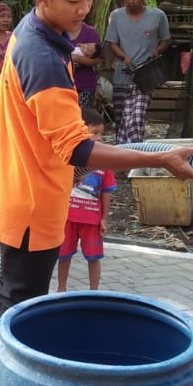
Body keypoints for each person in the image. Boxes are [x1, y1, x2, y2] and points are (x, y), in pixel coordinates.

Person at [0, 0, 193, 357]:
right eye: (74, 0)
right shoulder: (41, 57)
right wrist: (159, 159)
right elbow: (78, 151)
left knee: (9, 297)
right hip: (32, 202)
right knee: (20, 306)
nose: (83, 9)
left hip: (18, 190)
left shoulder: (34, 30)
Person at [105, 0, 171, 144]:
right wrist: (124, 57)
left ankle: (136, 154)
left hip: (145, 76)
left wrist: (157, 51)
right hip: (122, 75)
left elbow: (166, 41)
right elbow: (113, 43)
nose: (131, 0)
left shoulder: (158, 16)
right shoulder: (116, 16)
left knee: (137, 119)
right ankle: (121, 157)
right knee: (121, 119)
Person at [57, 109, 116, 292]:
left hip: (91, 220)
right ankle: (61, 288)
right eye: (94, 133)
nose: (99, 138)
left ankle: (94, 291)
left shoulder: (103, 161)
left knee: (94, 256)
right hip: (67, 217)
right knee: (63, 254)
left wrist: (104, 218)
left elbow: (107, 191)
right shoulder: (67, 158)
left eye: (101, 134)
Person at [69, 19, 104, 116]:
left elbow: (97, 59)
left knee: (82, 117)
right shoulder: (57, 30)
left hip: (84, 85)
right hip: (62, 85)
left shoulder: (90, 32)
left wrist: (76, 58)